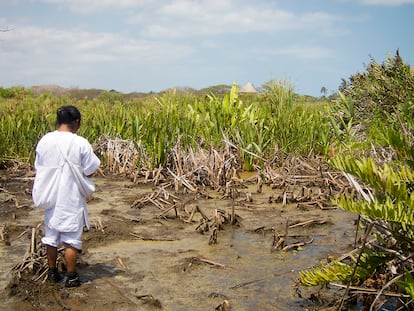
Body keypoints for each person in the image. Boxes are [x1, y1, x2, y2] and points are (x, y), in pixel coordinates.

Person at [33, 105, 100, 287]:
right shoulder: (80, 143)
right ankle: (71, 277)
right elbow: (91, 168)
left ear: (59, 120)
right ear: (76, 122)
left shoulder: (45, 140)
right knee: (71, 239)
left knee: (51, 236)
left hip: (49, 195)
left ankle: (52, 272)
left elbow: (38, 167)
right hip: (70, 197)